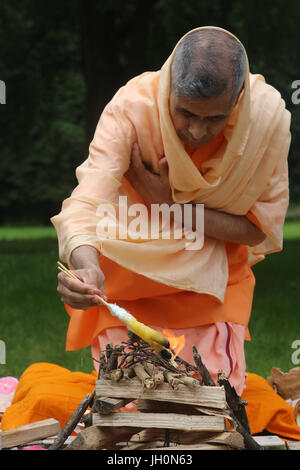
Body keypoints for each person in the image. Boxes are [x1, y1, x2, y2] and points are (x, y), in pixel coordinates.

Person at [51, 26, 291, 395]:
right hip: (123, 283)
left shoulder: (265, 121)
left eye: (214, 119)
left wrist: (170, 205)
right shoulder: (131, 108)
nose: (196, 131)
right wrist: (86, 264)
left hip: (211, 287)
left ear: (238, 98)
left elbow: (256, 229)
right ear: (168, 88)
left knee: (211, 404)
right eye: (185, 114)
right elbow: (87, 199)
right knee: (128, 407)